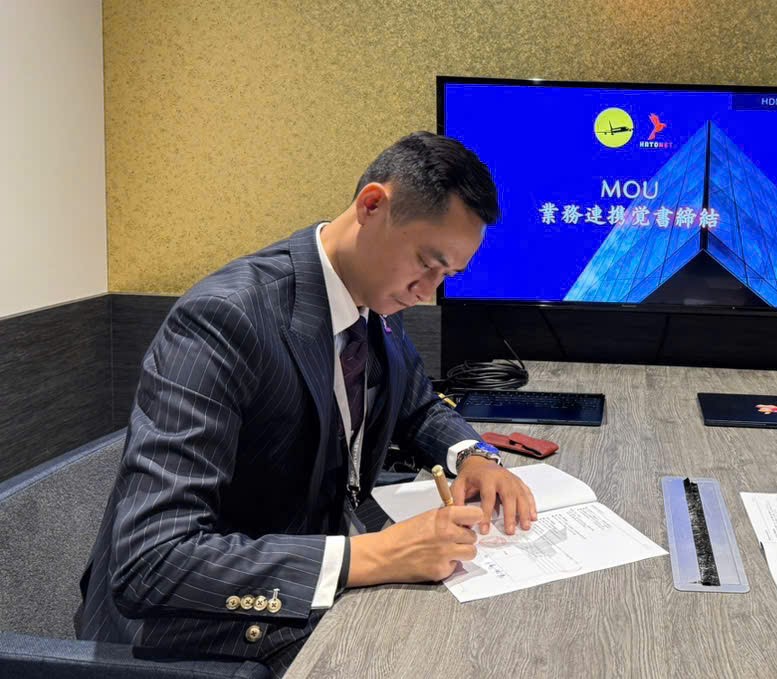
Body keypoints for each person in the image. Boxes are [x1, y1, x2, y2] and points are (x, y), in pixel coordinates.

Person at [75, 131, 537, 674]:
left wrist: (475, 456)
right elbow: (152, 562)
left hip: (312, 568)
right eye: (426, 263)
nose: (427, 291)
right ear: (372, 205)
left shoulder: (377, 298)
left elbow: (417, 405)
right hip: (185, 631)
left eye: (447, 276)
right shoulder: (225, 319)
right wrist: (376, 555)